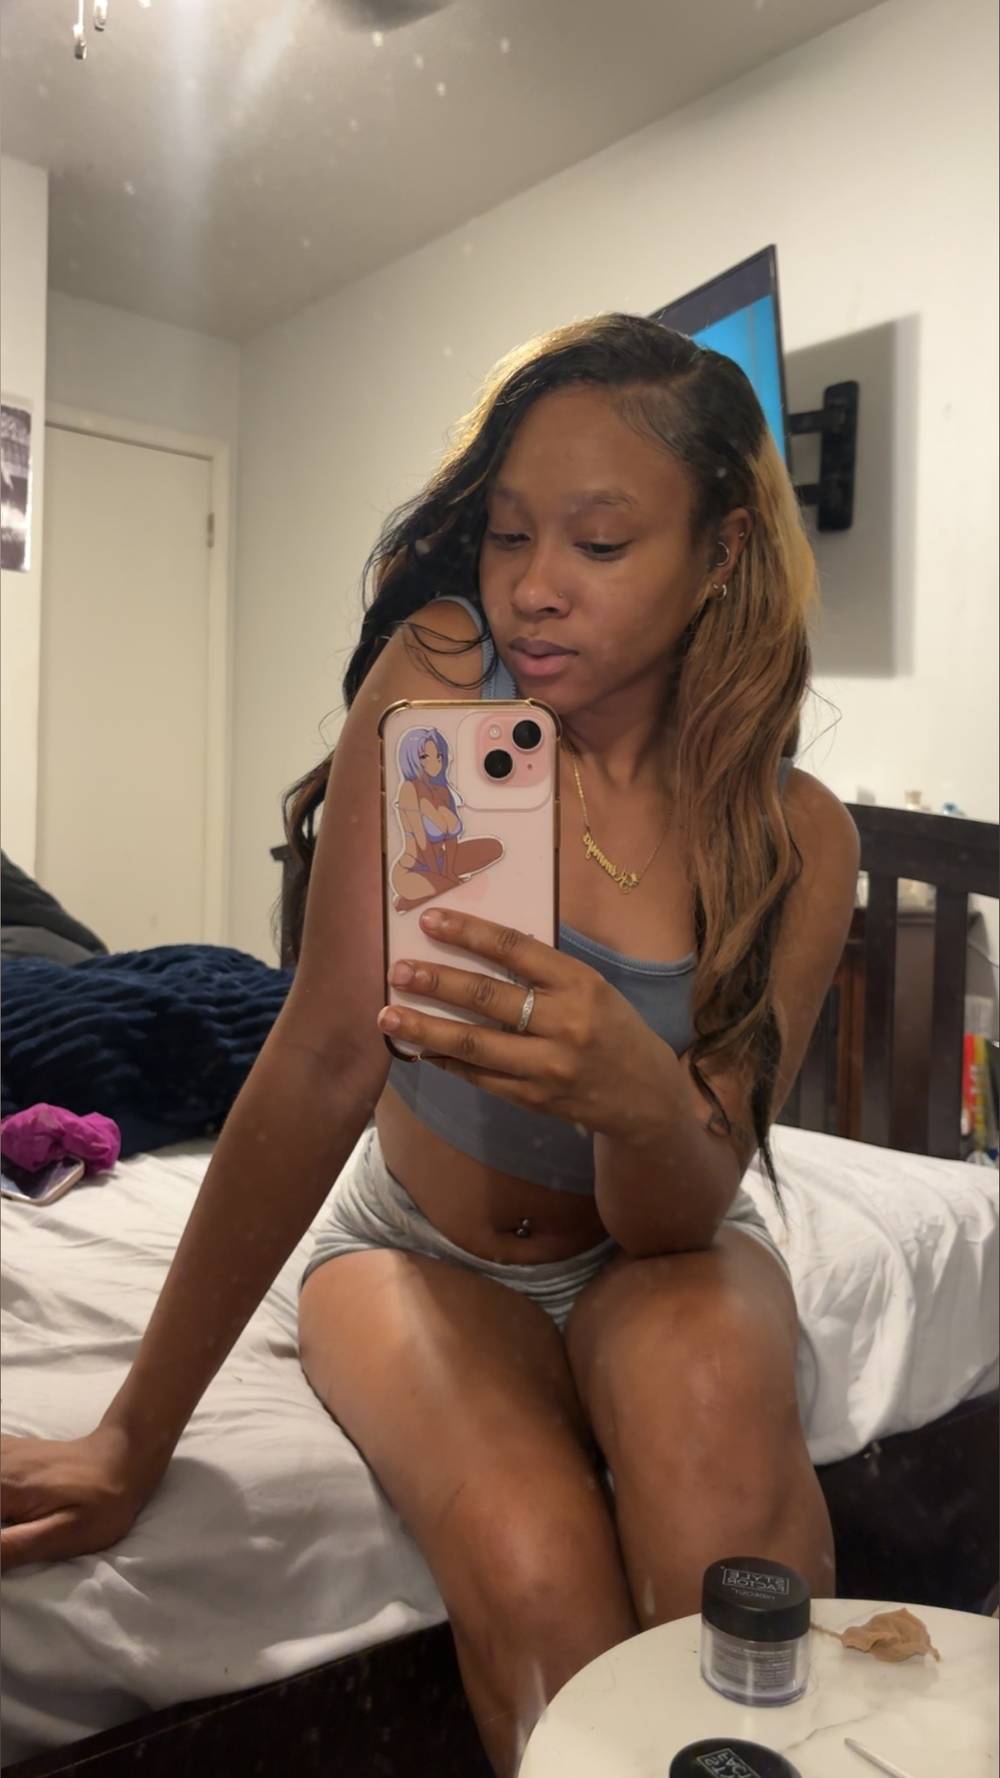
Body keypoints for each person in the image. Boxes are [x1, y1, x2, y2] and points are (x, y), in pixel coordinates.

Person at [0, 317, 858, 1777]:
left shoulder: (797, 840)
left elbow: (677, 1210)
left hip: (658, 1247)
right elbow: (324, 1056)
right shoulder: (443, 683)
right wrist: (132, 1436)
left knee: (731, 1538)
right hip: (414, 1245)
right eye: (511, 532)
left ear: (722, 552)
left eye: (599, 542)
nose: (531, 586)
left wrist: (637, 1097)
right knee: (534, 1568)